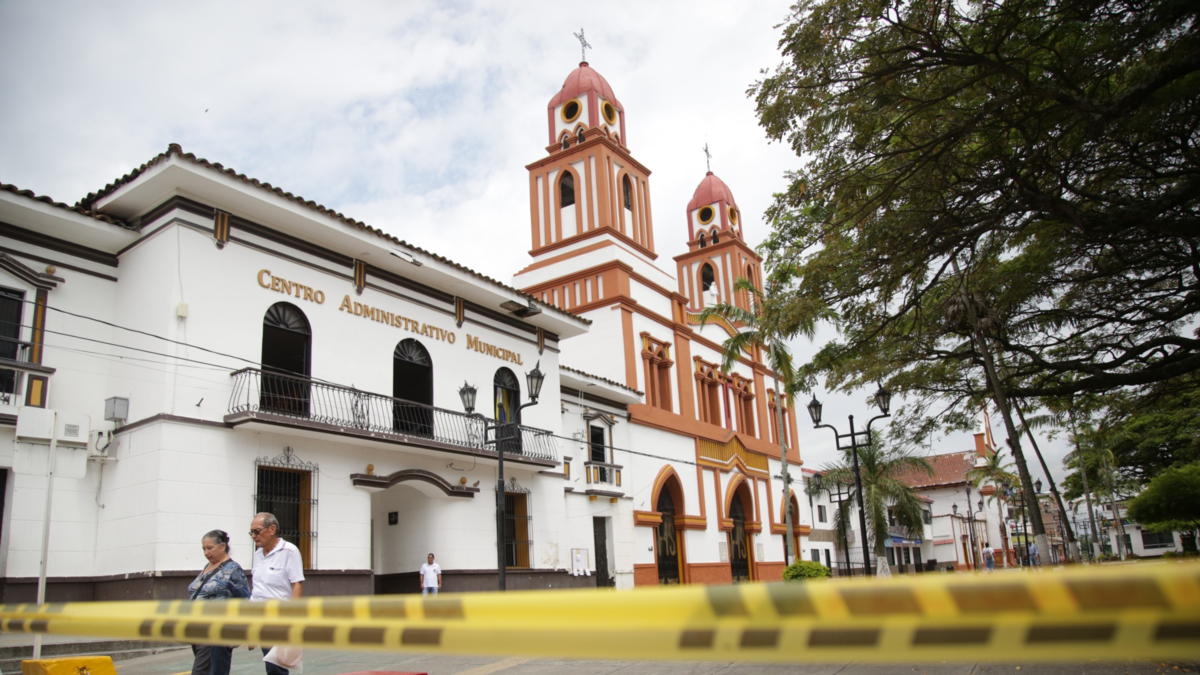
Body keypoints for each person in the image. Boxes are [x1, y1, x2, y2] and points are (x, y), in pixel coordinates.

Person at [249, 512, 305, 675]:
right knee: (270, 663)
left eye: (257, 531)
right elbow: (257, 589)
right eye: (251, 532)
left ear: (272, 529)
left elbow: (297, 584)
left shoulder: (289, 551)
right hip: (259, 616)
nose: (253, 536)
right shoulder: (257, 555)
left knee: (276, 666)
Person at [188, 530, 250, 675]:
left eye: (210, 548)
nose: (206, 552)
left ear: (222, 546)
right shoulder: (208, 567)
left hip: (215, 629)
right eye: (204, 549)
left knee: (201, 671)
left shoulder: (233, 569)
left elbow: (245, 599)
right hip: (197, 628)